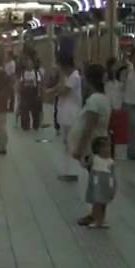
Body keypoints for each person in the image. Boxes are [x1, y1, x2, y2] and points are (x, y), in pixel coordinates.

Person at [71, 63, 111, 191]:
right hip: (100, 143)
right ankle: (96, 210)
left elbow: (88, 128)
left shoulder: (94, 101)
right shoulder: (103, 98)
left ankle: (97, 210)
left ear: (88, 80)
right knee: (97, 178)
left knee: (96, 180)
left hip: (93, 147)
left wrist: (79, 149)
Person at [50, 55, 83, 180]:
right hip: (66, 113)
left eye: (59, 66)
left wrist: (52, 92)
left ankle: (71, 172)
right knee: (67, 142)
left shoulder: (74, 77)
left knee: (70, 143)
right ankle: (67, 170)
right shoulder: (68, 77)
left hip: (71, 114)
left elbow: (63, 91)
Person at [80, 135, 115, 228]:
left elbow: (112, 175)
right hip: (96, 183)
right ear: (97, 149)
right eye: (105, 147)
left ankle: (101, 220)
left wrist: (112, 187)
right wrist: (83, 159)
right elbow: (85, 165)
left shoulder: (110, 161)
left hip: (106, 184)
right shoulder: (94, 158)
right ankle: (97, 219)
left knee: (103, 203)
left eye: (109, 146)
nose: (108, 149)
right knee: (97, 202)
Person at [17, 53, 44, 131]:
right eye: (27, 63)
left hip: (34, 93)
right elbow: (20, 84)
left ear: (32, 64)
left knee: (35, 111)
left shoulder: (36, 73)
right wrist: (19, 93)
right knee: (24, 110)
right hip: (25, 93)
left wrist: (39, 93)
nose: (28, 64)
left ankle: (35, 125)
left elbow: (39, 83)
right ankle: (25, 126)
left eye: (30, 63)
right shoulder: (23, 73)